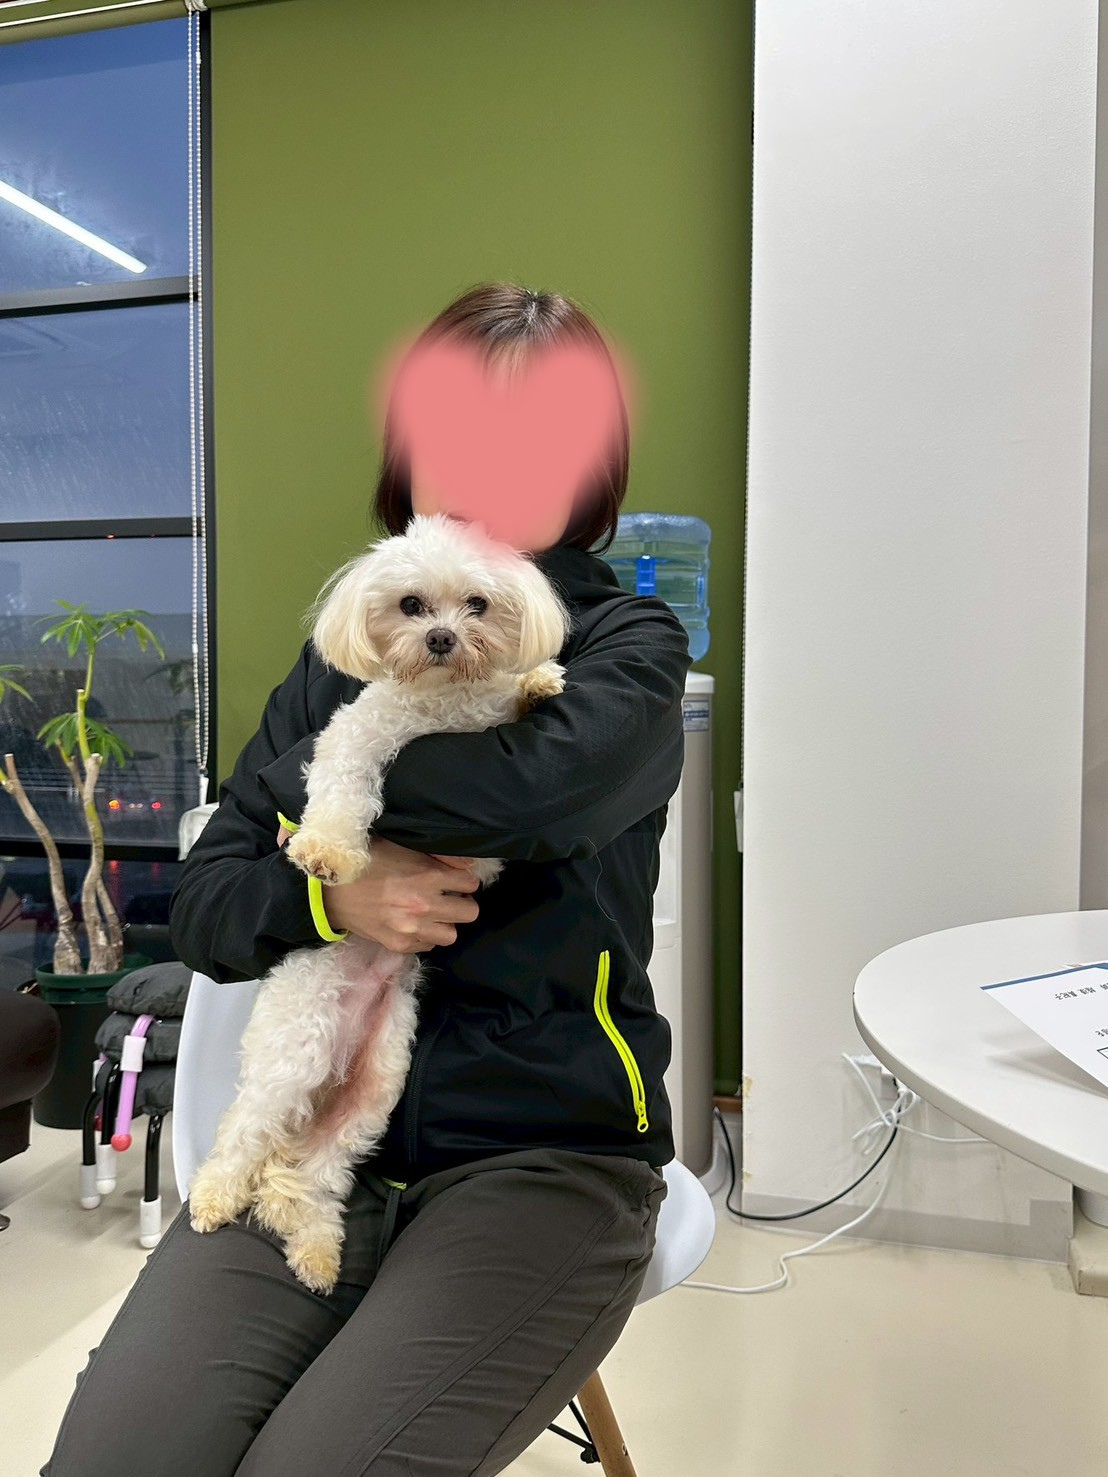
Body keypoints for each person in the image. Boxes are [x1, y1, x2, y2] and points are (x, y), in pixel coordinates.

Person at [40, 281, 693, 1477]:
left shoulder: (628, 650)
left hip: (541, 1155)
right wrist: (330, 897)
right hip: (308, 1135)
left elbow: (523, 797)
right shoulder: (339, 654)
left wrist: (305, 776)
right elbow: (207, 905)